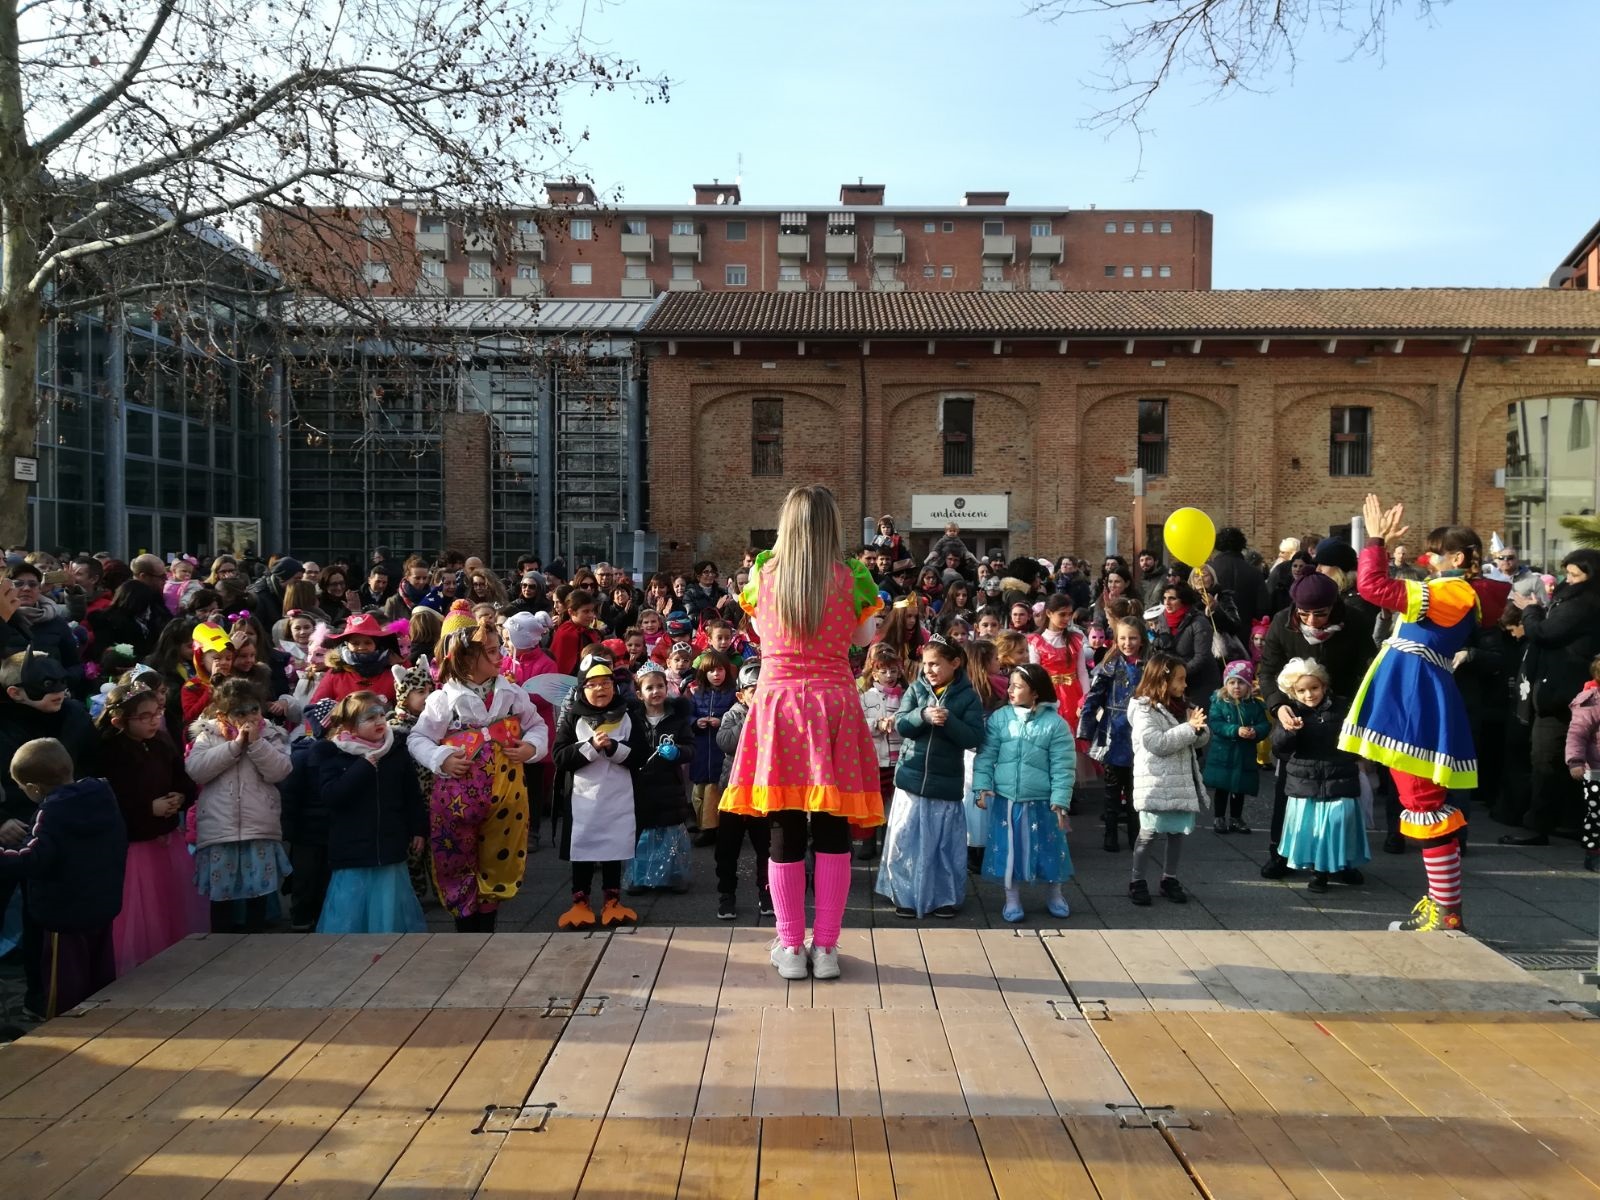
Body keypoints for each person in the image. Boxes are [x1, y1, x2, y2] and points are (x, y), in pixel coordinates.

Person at [721, 485, 884, 981]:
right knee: (833, 827)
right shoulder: (851, 576)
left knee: (784, 827)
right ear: (832, 523)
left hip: (779, 706)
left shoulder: (763, 573)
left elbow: (758, 634)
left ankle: (791, 946)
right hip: (834, 700)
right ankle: (827, 948)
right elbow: (862, 639)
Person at [1340, 497, 1492, 932]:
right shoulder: (1449, 589)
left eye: (1435, 552)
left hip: (1416, 701)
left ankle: (1447, 912)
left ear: (1457, 558)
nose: (1428, 560)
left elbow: (1373, 588)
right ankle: (1442, 906)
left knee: (1424, 801)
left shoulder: (1455, 590)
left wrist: (1374, 542)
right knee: (1416, 800)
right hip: (1410, 695)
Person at [409, 619, 547, 931]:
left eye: (500, 649)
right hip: (457, 799)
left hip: (506, 796)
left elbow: (537, 725)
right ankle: (467, 930)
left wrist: (531, 747)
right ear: (467, 658)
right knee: (456, 860)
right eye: (491, 651)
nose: (500, 656)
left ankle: (488, 929)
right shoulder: (443, 700)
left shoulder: (511, 693)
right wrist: (441, 758)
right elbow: (417, 739)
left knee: (498, 862)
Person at [1257, 570, 1382, 875]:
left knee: (1341, 791)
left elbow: (1369, 671)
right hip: (1296, 713)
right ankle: (1281, 852)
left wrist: (1356, 712)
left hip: (1339, 714)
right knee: (1291, 786)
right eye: (1304, 615)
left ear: (1334, 606)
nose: (1312, 622)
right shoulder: (1282, 624)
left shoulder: (1355, 622)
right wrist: (1279, 706)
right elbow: (1267, 672)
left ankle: (1341, 859)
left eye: (1320, 614)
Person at [0, 738, 125, 1019]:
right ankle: (106, 1023)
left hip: (64, 914)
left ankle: (66, 1034)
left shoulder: (51, 811)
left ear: (33, 788)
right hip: (101, 905)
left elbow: (34, 858)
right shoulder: (102, 795)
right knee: (99, 977)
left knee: (64, 985)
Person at [97, 678, 205, 972]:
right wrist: (147, 808)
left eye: (156, 713)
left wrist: (179, 796)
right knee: (140, 905)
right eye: (144, 717)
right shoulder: (110, 751)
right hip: (136, 842)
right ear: (120, 721)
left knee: (169, 900)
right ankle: (137, 959)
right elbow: (112, 796)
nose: (154, 721)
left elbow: (181, 776)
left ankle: (171, 951)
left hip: (166, 835)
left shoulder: (161, 742)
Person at [876, 638, 986, 920]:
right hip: (911, 781)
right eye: (926, 664)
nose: (929, 670)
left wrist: (950, 721)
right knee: (905, 839)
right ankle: (904, 895)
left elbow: (974, 737)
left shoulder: (968, 696)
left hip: (945, 783)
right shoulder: (916, 689)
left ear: (955, 663)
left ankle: (944, 897)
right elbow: (901, 723)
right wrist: (922, 715)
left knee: (942, 845)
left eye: (935, 663)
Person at [1505, 550, 1600, 847]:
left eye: (1575, 575)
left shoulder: (1584, 602)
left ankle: (1538, 825)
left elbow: (1545, 633)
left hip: (1561, 691)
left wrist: (1531, 611)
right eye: (1567, 574)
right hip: (1567, 688)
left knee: (1545, 757)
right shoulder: (1576, 598)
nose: (1568, 581)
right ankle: (1570, 821)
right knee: (1570, 758)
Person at [311, 692, 427, 934]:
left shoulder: (395, 751)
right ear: (350, 726)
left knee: (389, 908)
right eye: (369, 717)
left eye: (381, 715)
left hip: (389, 846)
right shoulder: (332, 753)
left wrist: (418, 828)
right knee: (351, 912)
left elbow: (411, 795)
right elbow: (332, 796)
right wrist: (362, 767)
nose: (379, 721)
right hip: (352, 850)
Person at [186, 677, 294, 933]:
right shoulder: (208, 734)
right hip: (219, 829)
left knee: (257, 894)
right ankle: (220, 946)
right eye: (240, 712)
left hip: (259, 825)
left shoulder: (272, 733)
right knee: (221, 896)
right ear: (223, 714)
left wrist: (256, 743)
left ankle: (256, 944)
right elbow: (196, 770)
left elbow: (280, 770)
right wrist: (235, 746)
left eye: (254, 709)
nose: (249, 717)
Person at [972, 662, 1074, 923]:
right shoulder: (999, 718)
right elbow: (985, 757)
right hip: (1007, 800)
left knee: (1050, 849)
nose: (1010, 690)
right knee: (1009, 850)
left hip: (1042, 801)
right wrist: (982, 787)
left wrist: (1060, 801)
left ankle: (1054, 893)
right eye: (1010, 685)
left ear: (1035, 691)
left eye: (1017, 686)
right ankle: (1012, 898)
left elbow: (1063, 766)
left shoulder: (1055, 724)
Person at [552, 660, 644, 927]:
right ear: (582, 689)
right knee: (583, 850)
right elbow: (560, 756)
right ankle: (580, 903)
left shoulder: (627, 715)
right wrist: (590, 746)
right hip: (583, 799)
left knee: (614, 847)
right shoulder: (574, 717)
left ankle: (612, 901)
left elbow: (640, 752)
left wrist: (615, 748)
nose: (600, 689)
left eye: (606, 683)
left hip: (618, 796)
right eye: (593, 684)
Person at [1271, 658, 1370, 893]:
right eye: (1302, 690)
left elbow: (1357, 736)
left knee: (1341, 823)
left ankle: (1345, 864)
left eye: (1314, 688)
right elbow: (1279, 748)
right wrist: (1289, 732)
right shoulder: (1290, 712)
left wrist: (1358, 757)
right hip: (1306, 779)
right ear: (1293, 692)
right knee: (1314, 829)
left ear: (1324, 686)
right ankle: (1318, 871)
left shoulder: (1343, 707)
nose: (1309, 694)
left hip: (1340, 774)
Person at [1127, 652, 1207, 907]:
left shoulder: (1184, 705)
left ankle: (1169, 878)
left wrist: (1200, 729)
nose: (1185, 685)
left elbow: (1202, 738)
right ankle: (1137, 880)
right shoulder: (1143, 709)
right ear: (1163, 680)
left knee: (1176, 833)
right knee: (1148, 834)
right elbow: (1156, 743)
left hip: (1179, 782)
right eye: (1180, 679)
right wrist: (1189, 729)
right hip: (1155, 782)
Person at [626, 662, 695, 895]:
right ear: (639, 694)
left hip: (669, 784)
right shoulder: (632, 719)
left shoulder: (677, 719)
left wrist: (678, 753)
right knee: (642, 832)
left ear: (667, 688)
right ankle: (639, 875)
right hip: (641, 784)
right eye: (649, 688)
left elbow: (690, 748)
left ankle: (675, 875)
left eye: (660, 686)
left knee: (670, 833)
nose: (655, 692)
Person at [1079, 617, 1147, 852]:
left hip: (1139, 734)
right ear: (1116, 640)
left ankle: (1134, 835)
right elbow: (1093, 698)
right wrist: (1085, 729)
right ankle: (1110, 834)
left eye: (1133, 638)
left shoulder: (1148, 666)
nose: (1128, 643)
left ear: (1141, 639)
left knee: (1135, 790)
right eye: (1123, 638)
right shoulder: (1109, 666)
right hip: (1112, 734)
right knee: (1112, 790)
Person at [713, 659, 772, 919]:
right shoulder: (734, 714)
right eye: (753, 690)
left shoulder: (775, 714)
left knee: (767, 848)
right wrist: (752, 719)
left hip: (764, 792)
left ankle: (767, 894)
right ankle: (727, 894)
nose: (759, 695)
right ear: (741, 694)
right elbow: (724, 742)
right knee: (727, 849)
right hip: (734, 791)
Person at [1202, 661, 1267, 835]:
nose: (1236, 686)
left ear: (1249, 685)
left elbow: (1264, 725)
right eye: (1232, 682)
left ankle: (1236, 818)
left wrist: (1256, 732)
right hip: (1223, 753)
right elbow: (1216, 723)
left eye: (1241, 683)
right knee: (1222, 788)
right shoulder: (1219, 702)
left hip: (1244, 754)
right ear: (1226, 684)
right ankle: (1219, 817)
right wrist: (1235, 730)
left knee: (1239, 788)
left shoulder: (1255, 705)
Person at [857, 644, 906, 861]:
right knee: (873, 799)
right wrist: (877, 724)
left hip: (896, 759)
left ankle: (888, 840)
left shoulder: (905, 696)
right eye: (884, 671)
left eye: (893, 671)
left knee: (892, 802)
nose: (889, 676)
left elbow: (909, 720)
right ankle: (868, 841)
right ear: (874, 672)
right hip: (875, 759)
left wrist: (898, 722)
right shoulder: (867, 697)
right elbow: (858, 723)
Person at [687, 649, 737, 847]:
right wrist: (695, 722)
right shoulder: (697, 694)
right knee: (699, 791)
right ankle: (703, 825)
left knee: (716, 790)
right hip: (701, 750)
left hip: (720, 752)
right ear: (703, 673)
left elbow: (738, 716)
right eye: (711, 671)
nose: (716, 674)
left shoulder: (732, 695)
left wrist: (721, 720)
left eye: (720, 670)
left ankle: (712, 829)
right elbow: (687, 716)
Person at [308, 612, 403, 706]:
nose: (361, 647)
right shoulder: (335, 673)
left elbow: (404, 706)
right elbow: (315, 707)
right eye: (355, 643)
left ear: (376, 645)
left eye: (367, 643)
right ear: (347, 645)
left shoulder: (391, 673)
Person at [1157, 580, 1219, 708]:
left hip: (1201, 683)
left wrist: (1178, 673)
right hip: (1173, 683)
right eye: (1164, 598)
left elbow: (1201, 657)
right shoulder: (1162, 618)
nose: (1167, 603)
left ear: (1183, 600)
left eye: (1172, 598)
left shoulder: (1199, 622)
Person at [1565, 655, 1600, 872]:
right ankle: (1593, 853)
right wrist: (1575, 761)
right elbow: (1577, 734)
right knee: (1596, 813)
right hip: (1596, 771)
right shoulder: (1591, 701)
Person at [1208, 526, 1269, 631]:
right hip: (1245, 631)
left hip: (1213, 631)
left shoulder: (1208, 571)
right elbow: (1263, 608)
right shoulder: (1254, 573)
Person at [550, 588, 604, 676]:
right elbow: (562, 666)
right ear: (571, 612)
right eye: (586, 611)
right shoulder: (565, 633)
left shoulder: (590, 632)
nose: (591, 615)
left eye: (592, 611)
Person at [246, 557, 303, 631]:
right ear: (283, 577)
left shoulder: (283, 592)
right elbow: (255, 628)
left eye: (301, 579)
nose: (299, 583)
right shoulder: (259, 596)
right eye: (296, 579)